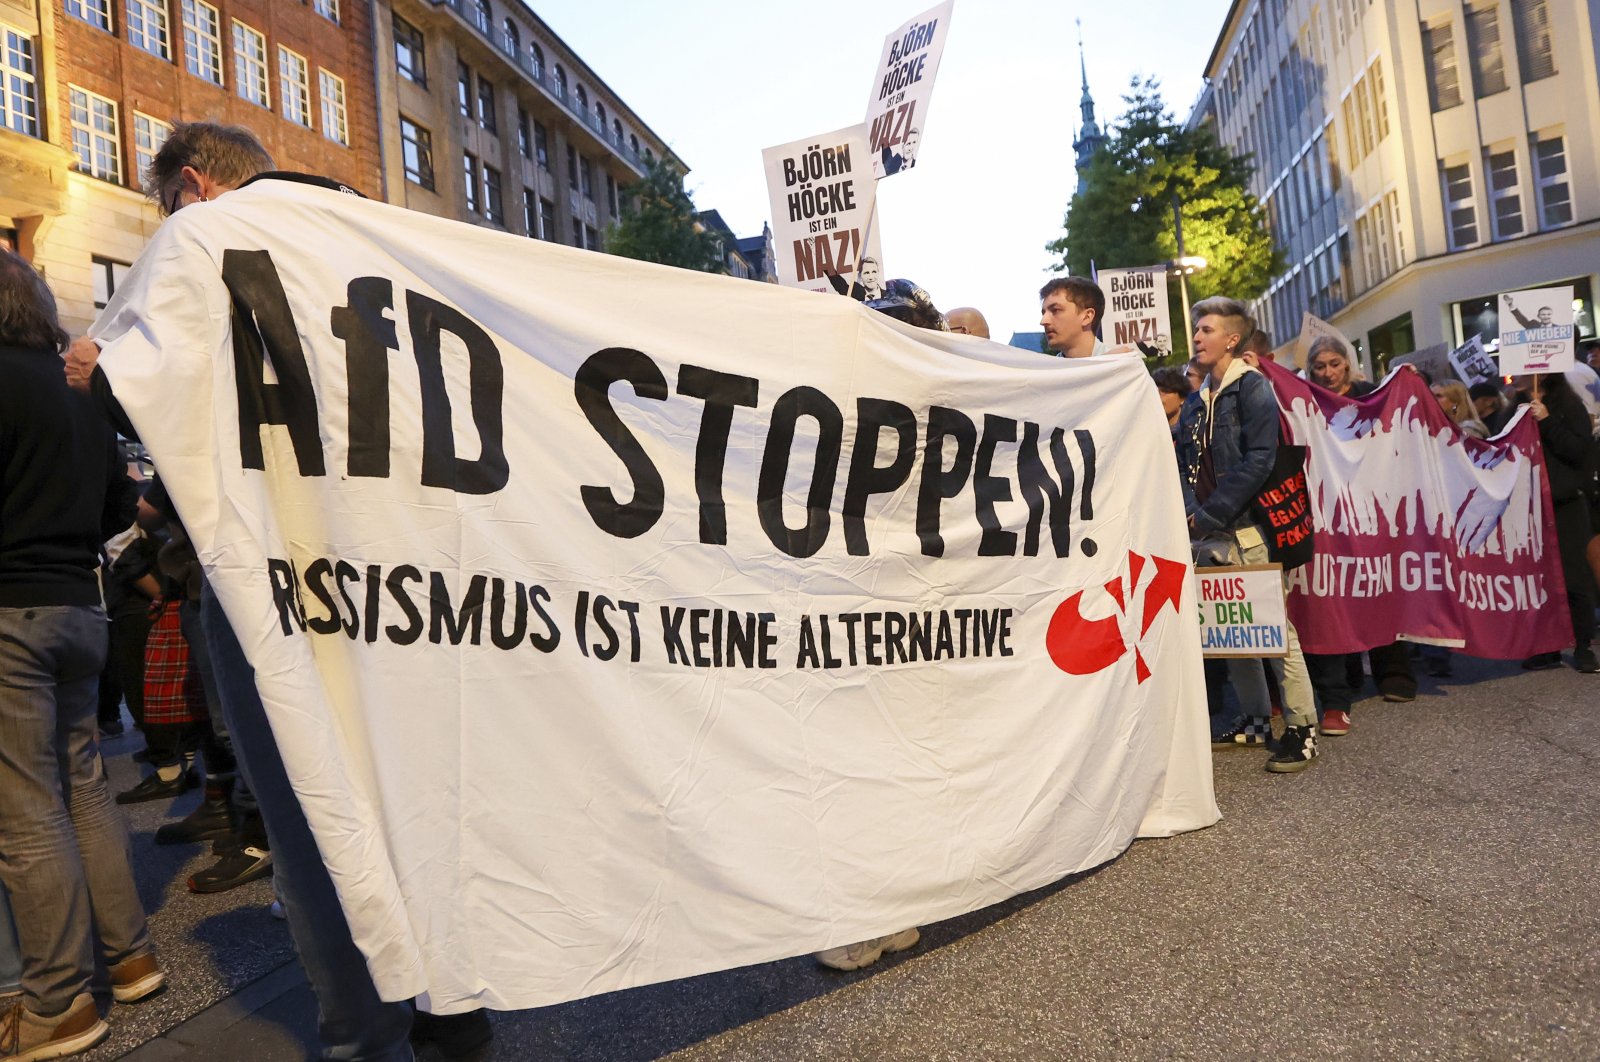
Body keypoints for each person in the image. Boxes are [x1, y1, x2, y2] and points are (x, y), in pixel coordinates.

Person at [65, 121, 492, 1062]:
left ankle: (366, 1038)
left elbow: (118, 387)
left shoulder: (205, 241)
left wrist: (98, 367)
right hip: (407, 573)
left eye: (166, 204)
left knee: (309, 817)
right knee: (416, 788)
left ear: (192, 186)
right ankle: (455, 1012)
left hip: (277, 577)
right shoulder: (365, 232)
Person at [0, 249, 161, 1059]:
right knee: (87, 788)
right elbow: (114, 507)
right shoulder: (74, 396)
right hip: (77, 604)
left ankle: (58, 1000)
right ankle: (129, 955)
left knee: (24, 809)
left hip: (8, 611)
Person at [811, 277, 950, 972]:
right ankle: (897, 909)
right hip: (909, 609)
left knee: (865, 762)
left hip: (875, 606)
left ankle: (873, 916)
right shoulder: (947, 400)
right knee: (894, 757)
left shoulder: (857, 408)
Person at [1175, 296, 1319, 772]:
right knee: (1229, 630)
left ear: (1232, 339)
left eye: (1207, 329)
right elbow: (1185, 464)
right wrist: (1194, 513)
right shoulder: (1198, 401)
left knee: (1275, 630)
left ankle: (1301, 727)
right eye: (1197, 329)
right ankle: (1255, 718)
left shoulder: (1251, 388)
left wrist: (1209, 513)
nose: (1197, 336)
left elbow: (1260, 458)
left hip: (1247, 530)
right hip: (1208, 532)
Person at [1515, 372, 1598, 672]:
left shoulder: (1568, 406)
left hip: (1566, 504)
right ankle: (1546, 646)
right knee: (1539, 580)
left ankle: (1583, 645)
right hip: (1529, 505)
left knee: (1574, 578)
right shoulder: (1516, 407)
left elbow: (1578, 452)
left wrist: (1547, 420)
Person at [1038, 277, 1107, 359]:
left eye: (1055, 310)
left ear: (1087, 317)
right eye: (1043, 313)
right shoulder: (1047, 370)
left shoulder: (1121, 367)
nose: (1043, 321)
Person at [1306, 336, 1372, 397]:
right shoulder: (1309, 402)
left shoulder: (1368, 392)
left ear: (1346, 362)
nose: (1328, 373)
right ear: (1311, 371)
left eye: (1335, 364)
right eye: (1320, 367)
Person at [1151, 365, 1191, 433]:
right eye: (1155, 390)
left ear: (1182, 398)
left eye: (1165, 390)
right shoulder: (1147, 430)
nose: (1158, 395)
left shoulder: (1193, 429)